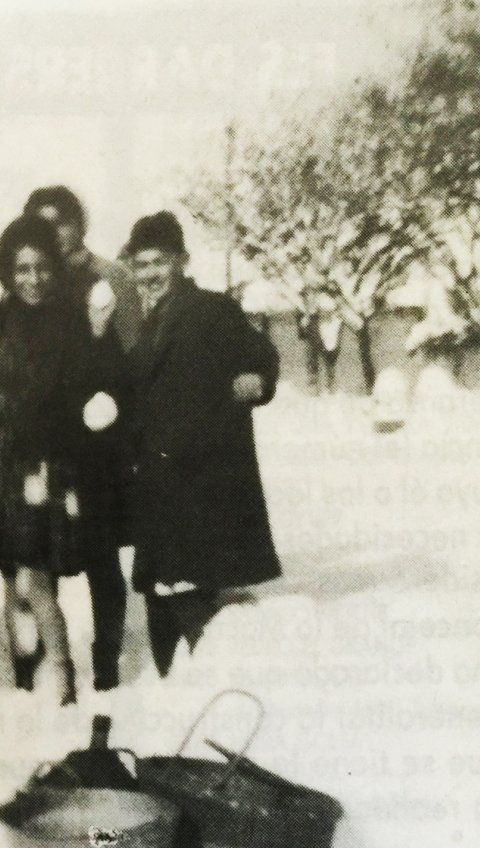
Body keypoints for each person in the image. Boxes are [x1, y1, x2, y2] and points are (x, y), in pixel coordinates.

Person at [118, 211, 282, 675]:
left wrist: (257, 378)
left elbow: (260, 354)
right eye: (140, 265)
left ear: (182, 260)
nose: (148, 274)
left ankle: (211, 690)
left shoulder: (212, 310)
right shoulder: (144, 325)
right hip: (158, 481)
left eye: (158, 262)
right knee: (161, 594)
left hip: (204, 481)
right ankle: (173, 691)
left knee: (195, 592)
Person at [0, 216, 95, 704]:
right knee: (11, 579)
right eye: (22, 269)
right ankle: (23, 668)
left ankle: (62, 672)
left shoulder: (71, 322)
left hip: (46, 466)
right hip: (0, 467)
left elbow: (80, 394)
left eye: (41, 268)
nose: (32, 279)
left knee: (36, 576)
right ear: (7, 272)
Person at [23, 185, 143, 692]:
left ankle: (108, 657)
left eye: (62, 221)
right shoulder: (35, 279)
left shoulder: (110, 277)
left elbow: (133, 352)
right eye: (41, 223)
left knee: (100, 551)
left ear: (80, 224)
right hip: (50, 438)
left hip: (100, 434)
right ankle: (47, 662)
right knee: (41, 550)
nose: (54, 233)